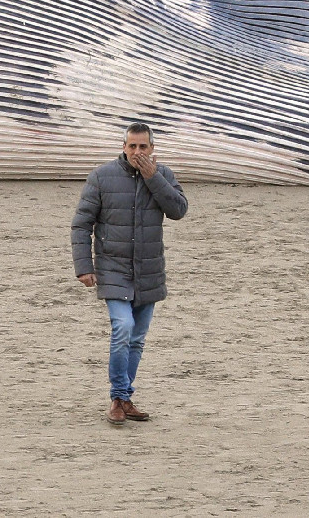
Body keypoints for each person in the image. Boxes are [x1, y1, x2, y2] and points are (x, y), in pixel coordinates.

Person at [71, 123, 188, 425]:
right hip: (113, 270)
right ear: (123, 147)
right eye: (132, 146)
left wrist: (153, 177)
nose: (138, 152)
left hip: (149, 270)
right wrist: (84, 266)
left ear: (152, 148)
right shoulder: (101, 177)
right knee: (122, 328)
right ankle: (117, 398)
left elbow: (178, 210)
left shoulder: (164, 176)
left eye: (143, 147)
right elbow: (82, 224)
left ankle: (124, 398)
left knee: (137, 339)